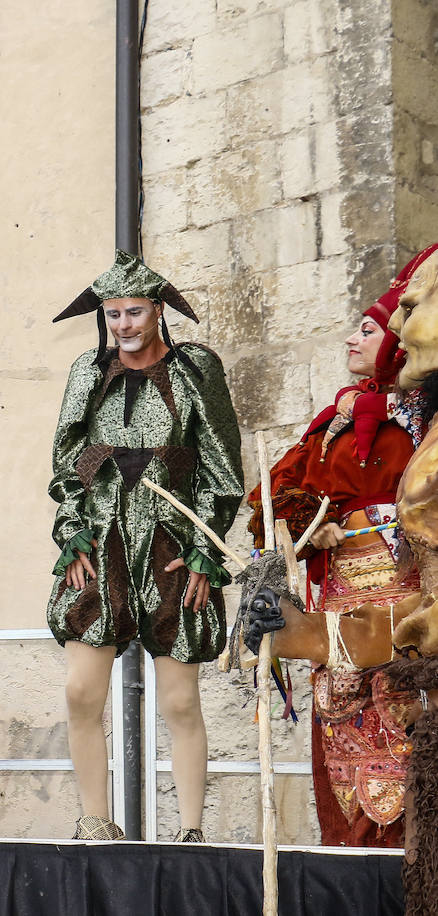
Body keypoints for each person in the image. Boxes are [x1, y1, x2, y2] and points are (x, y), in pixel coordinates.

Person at [243, 245, 437, 847]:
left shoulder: (422, 423)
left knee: (406, 756)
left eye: (371, 327)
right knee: (342, 760)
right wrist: (302, 534)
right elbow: (270, 505)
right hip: (338, 608)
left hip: (408, 610)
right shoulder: (334, 422)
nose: (355, 338)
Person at [47, 250, 244, 842]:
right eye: (113, 315)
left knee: (180, 701)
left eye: (135, 311)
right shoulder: (88, 371)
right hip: (101, 540)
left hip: (170, 544)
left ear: (158, 310)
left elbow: (221, 467)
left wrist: (206, 546)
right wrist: (72, 530)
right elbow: (67, 460)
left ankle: (188, 834)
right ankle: (94, 822)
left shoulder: (195, 370)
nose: (124, 325)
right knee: (82, 691)